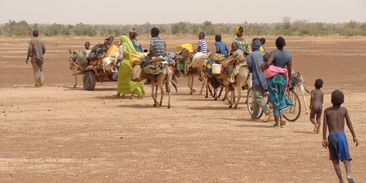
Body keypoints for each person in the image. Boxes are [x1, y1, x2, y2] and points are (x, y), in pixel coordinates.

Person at [322, 90, 358, 183]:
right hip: (342, 136)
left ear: (331, 100)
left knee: (335, 160)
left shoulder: (327, 111)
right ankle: (348, 174)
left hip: (332, 136)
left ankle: (341, 180)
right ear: (342, 100)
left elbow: (325, 125)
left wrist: (324, 138)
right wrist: (354, 136)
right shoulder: (344, 110)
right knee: (346, 158)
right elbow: (349, 123)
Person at [262, 36, 293, 127]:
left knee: (275, 100)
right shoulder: (288, 55)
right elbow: (290, 69)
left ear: (276, 45)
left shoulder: (274, 54)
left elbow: (268, 63)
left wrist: (263, 68)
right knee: (280, 98)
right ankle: (282, 119)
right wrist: (289, 80)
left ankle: (277, 122)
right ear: (284, 44)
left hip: (274, 79)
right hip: (283, 79)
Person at [248, 40, 272, 122]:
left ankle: (267, 112)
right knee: (257, 98)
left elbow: (249, 67)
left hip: (257, 79)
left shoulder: (251, 56)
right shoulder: (263, 54)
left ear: (252, 47)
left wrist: (252, 70)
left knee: (258, 97)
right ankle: (254, 116)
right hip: (265, 78)